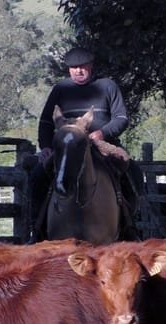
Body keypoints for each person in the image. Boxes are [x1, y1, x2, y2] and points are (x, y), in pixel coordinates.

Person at [29, 46, 138, 241]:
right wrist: (45, 146)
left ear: (91, 66)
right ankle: (37, 229)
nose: (78, 70)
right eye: (74, 67)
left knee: (133, 171)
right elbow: (46, 121)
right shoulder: (60, 89)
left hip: (100, 145)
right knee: (37, 175)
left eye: (82, 66)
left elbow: (121, 118)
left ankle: (129, 226)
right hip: (67, 146)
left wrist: (102, 133)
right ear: (68, 69)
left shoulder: (107, 86)